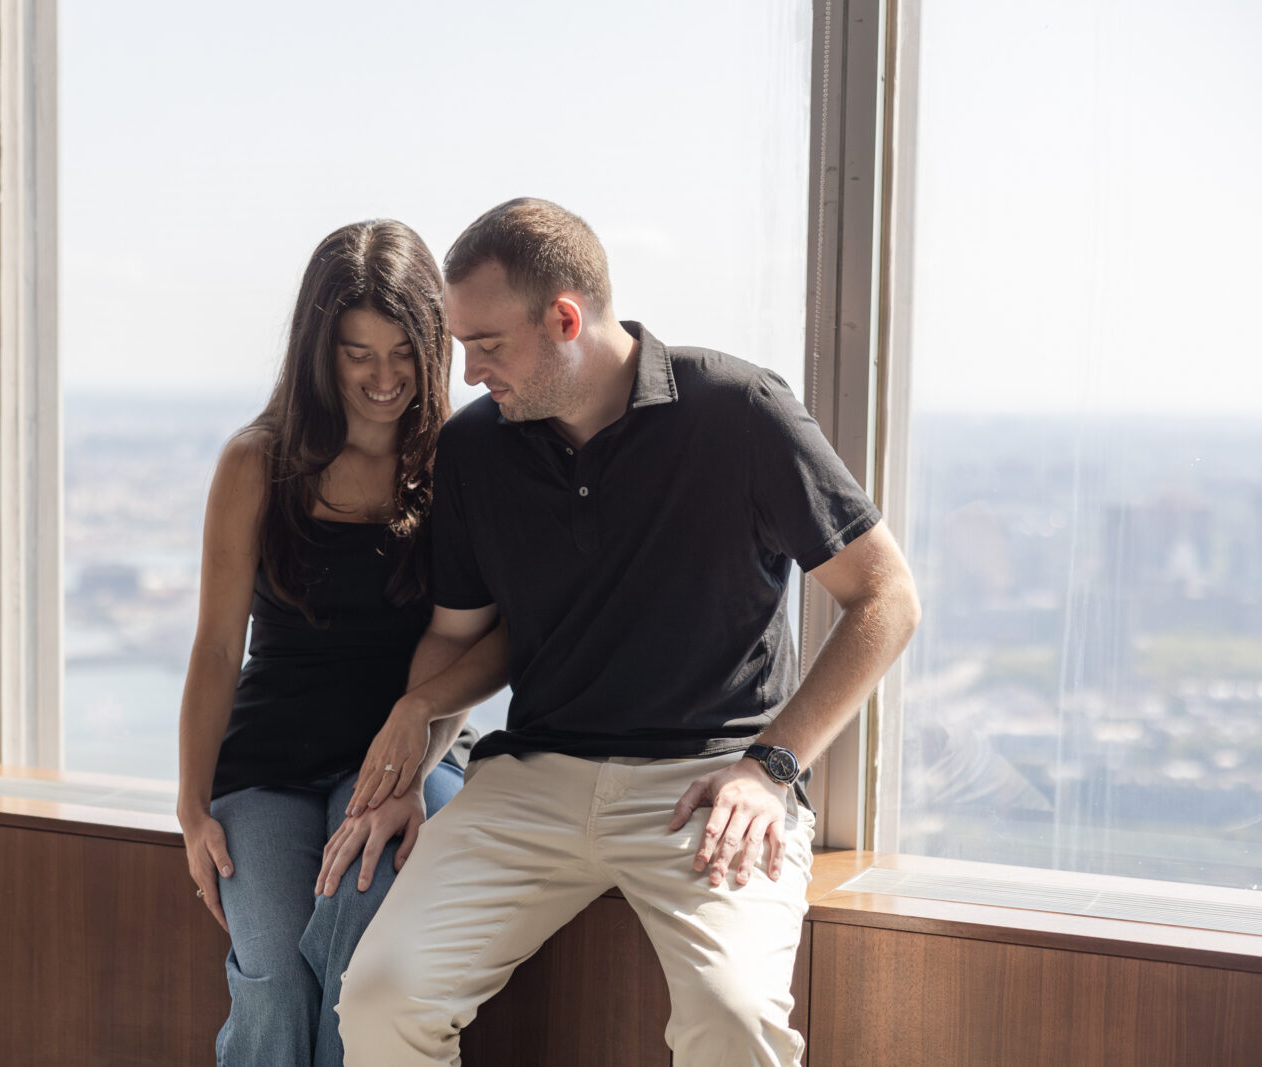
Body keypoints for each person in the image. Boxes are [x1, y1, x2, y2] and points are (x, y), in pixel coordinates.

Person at [333, 198, 922, 1067]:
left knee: (732, 1016)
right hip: (532, 779)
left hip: (708, 786)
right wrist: (405, 769)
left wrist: (774, 765)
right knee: (381, 994)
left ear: (565, 319)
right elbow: (458, 640)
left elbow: (886, 597)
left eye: (486, 345)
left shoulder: (739, 411)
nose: (466, 373)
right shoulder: (477, 449)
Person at [174, 219, 499, 1067]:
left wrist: (415, 755)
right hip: (270, 764)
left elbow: (495, 642)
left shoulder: (463, 463)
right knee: (276, 980)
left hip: (411, 757)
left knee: (360, 970)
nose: (384, 378)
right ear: (319, 350)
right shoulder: (257, 463)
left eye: (403, 351)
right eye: (358, 353)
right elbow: (215, 648)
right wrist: (188, 805)